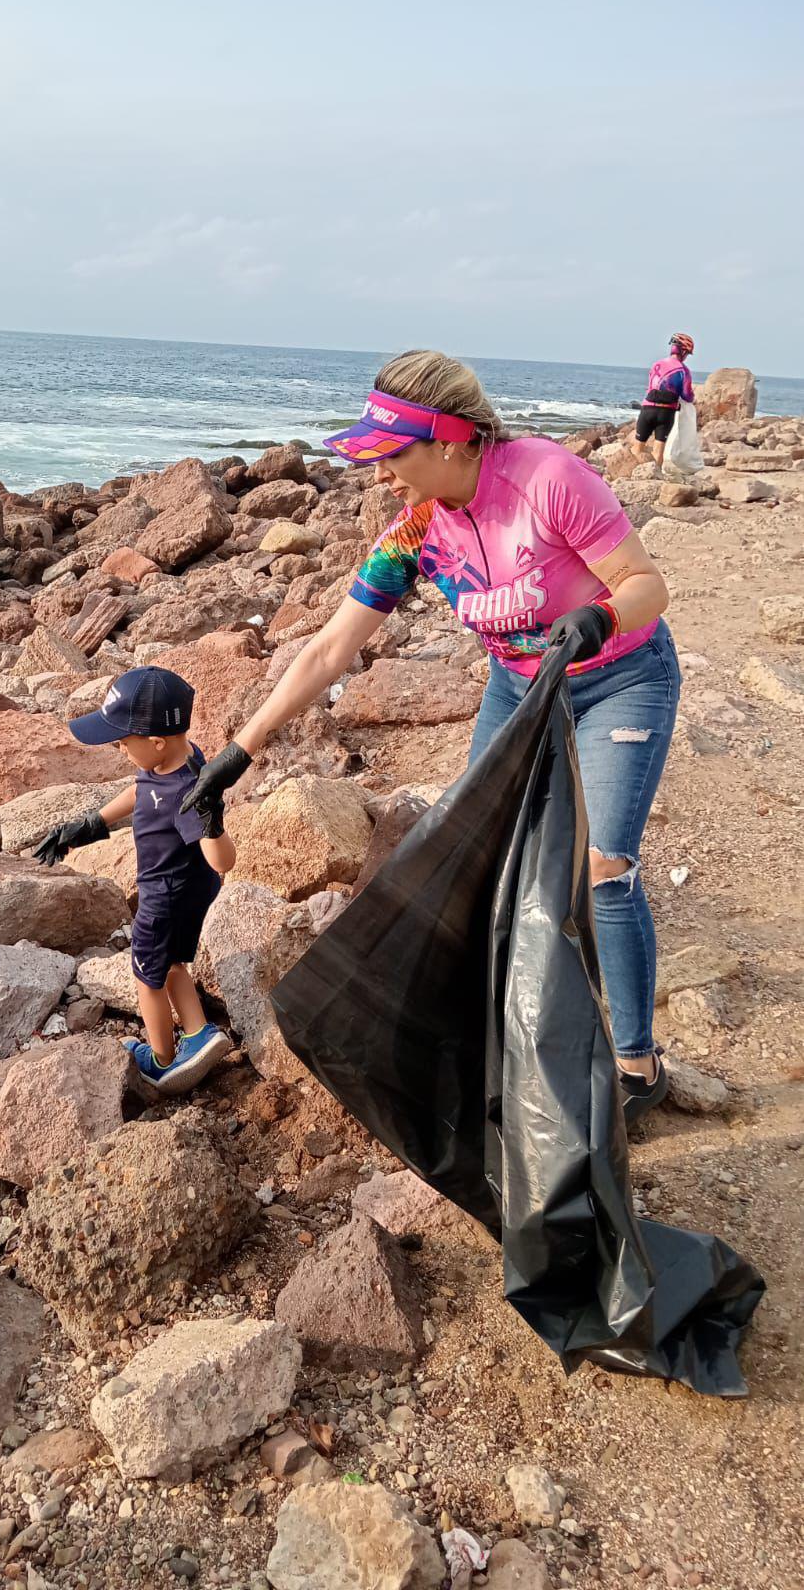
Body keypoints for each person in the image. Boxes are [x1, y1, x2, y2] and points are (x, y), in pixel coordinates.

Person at [183, 349, 681, 1123]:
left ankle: (637, 1066)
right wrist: (238, 752)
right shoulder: (417, 530)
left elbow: (648, 586)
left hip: (620, 677)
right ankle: (501, 1034)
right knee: (478, 857)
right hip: (520, 688)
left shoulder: (547, 480)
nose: (379, 473)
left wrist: (600, 614)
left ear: (449, 440)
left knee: (604, 865)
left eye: (391, 454)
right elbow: (328, 650)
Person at [33, 666, 236, 1095]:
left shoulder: (187, 792)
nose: (120, 748)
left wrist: (213, 823)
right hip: (188, 892)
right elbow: (142, 790)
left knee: (147, 976)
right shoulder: (179, 758)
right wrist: (90, 824)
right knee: (173, 962)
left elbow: (223, 860)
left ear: (157, 741)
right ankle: (199, 1033)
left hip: (164, 898)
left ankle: (161, 1061)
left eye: (124, 741)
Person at [631, 332, 695, 472]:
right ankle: (656, 475)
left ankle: (632, 474)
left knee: (637, 447)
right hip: (666, 413)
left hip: (648, 409)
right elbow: (687, 396)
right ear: (684, 352)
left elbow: (651, 386)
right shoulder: (684, 371)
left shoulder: (657, 364)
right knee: (658, 450)